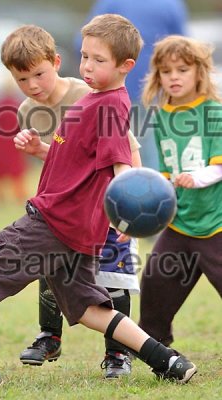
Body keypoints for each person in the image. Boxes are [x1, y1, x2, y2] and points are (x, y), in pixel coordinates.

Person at [0, 15, 197, 390]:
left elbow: (121, 164)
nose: (88, 66)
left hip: (53, 221)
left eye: (99, 60)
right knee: (89, 309)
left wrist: (127, 214)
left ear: (126, 66)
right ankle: (167, 359)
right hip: (75, 231)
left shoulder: (107, 108)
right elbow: (78, 162)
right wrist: (43, 149)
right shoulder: (98, 100)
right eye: (85, 57)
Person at [13, 25, 141, 378]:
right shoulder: (28, 110)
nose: (32, 86)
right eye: (22, 80)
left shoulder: (93, 92)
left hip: (108, 203)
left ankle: (119, 354)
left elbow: (125, 150)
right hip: (67, 210)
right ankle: (48, 335)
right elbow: (66, 160)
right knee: (52, 266)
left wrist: (131, 204)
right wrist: (38, 149)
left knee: (115, 275)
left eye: (38, 75)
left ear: (55, 63)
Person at [138, 35, 222, 346]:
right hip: (179, 220)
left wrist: (196, 178)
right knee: (155, 281)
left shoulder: (213, 112)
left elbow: (218, 167)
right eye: (166, 70)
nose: (174, 77)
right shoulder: (161, 117)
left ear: (199, 72)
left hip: (216, 222)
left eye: (182, 69)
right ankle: (153, 345)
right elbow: (165, 174)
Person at [74, 0, 188, 170]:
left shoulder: (111, 2)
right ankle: (150, 190)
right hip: (154, 88)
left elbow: (81, 42)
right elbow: (183, 49)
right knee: (149, 149)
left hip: (114, 88)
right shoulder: (171, 4)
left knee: (115, 147)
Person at [0, 76, 28, 204]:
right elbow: (22, 126)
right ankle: (19, 197)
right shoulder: (18, 105)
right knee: (16, 171)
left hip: (0, 145)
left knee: (0, 172)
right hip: (14, 144)